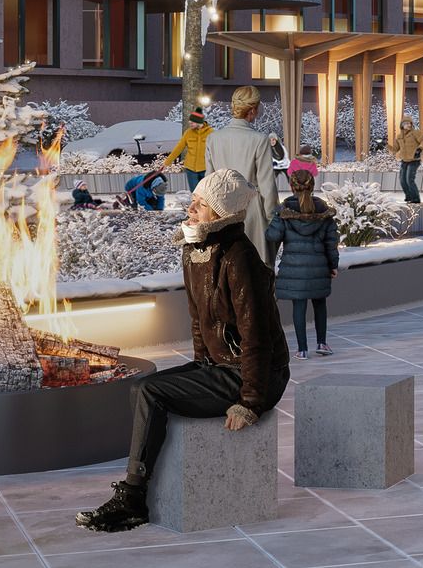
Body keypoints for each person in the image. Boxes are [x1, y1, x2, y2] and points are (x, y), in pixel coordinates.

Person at [79, 169, 288, 532]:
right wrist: (200, 366)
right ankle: (136, 491)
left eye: (200, 205)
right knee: (140, 388)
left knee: (150, 391)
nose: (190, 209)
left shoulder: (239, 258)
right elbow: (199, 320)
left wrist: (250, 403)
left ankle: (133, 499)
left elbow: (257, 337)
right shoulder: (195, 250)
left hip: (256, 376)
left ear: (221, 214)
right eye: (192, 201)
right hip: (220, 366)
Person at [267, 166, 341, 358]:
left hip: (294, 271)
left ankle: (302, 350)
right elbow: (331, 243)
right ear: (312, 185)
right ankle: (322, 344)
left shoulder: (285, 211)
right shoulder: (323, 211)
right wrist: (333, 265)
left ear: (291, 187)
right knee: (320, 304)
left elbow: (272, 235)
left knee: (299, 307)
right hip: (319, 268)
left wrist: (276, 216)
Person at [205, 87, 281, 261]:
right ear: (252, 110)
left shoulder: (213, 139)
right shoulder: (259, 139)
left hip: (221, 211)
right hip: (251, 212)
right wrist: (272, 218)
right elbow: (267, 185)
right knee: (256, 267)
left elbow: (208, 182)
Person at [173, 104, 212, 191]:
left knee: (205, 192)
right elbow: (179, 148)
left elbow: (216, 151)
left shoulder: (210, 133)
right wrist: (167, 162)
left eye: (192, 123)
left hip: (205, 168)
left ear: (199, 122)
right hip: (191, 169)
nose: (190, 124)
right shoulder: (188, 133)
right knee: (195, 192)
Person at [390, 117, 423, 203]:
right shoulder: (399, 137)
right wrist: (385, 145)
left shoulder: (415, 133)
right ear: (402, 125)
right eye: (406, 123)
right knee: (402, 180)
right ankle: (409, 196)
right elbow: (395, 149)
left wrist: (420, 149)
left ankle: (416, 198)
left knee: (409, 180)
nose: (408, 125)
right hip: (404, 160)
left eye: (410, 123)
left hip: (414, 160)